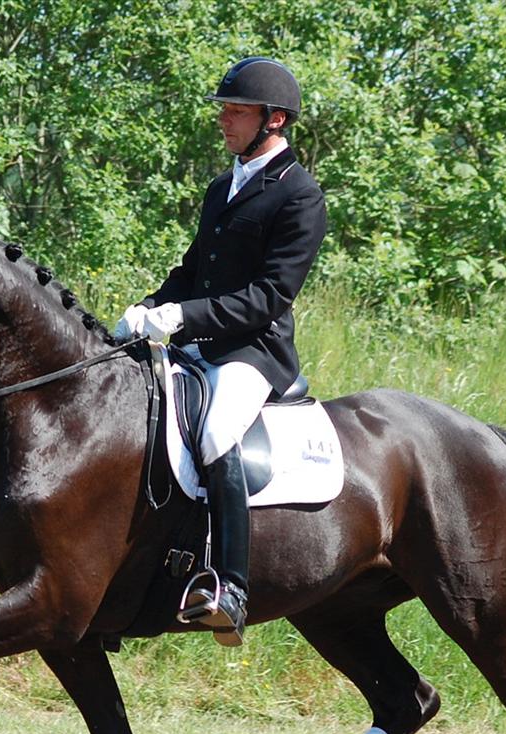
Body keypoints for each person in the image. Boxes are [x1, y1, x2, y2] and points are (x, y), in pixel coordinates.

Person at [114, 56, 327, 646]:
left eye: (236, 111)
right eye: (225, 110)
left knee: (214, 433)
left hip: (253, 353)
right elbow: (192, 271)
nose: (224, 121)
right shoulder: (221, 187)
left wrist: (182, 316)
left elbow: (269, 295)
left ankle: (231, 588)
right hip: (198, 344)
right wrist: (148, 307)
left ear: (274, 120)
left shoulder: (299, 196)